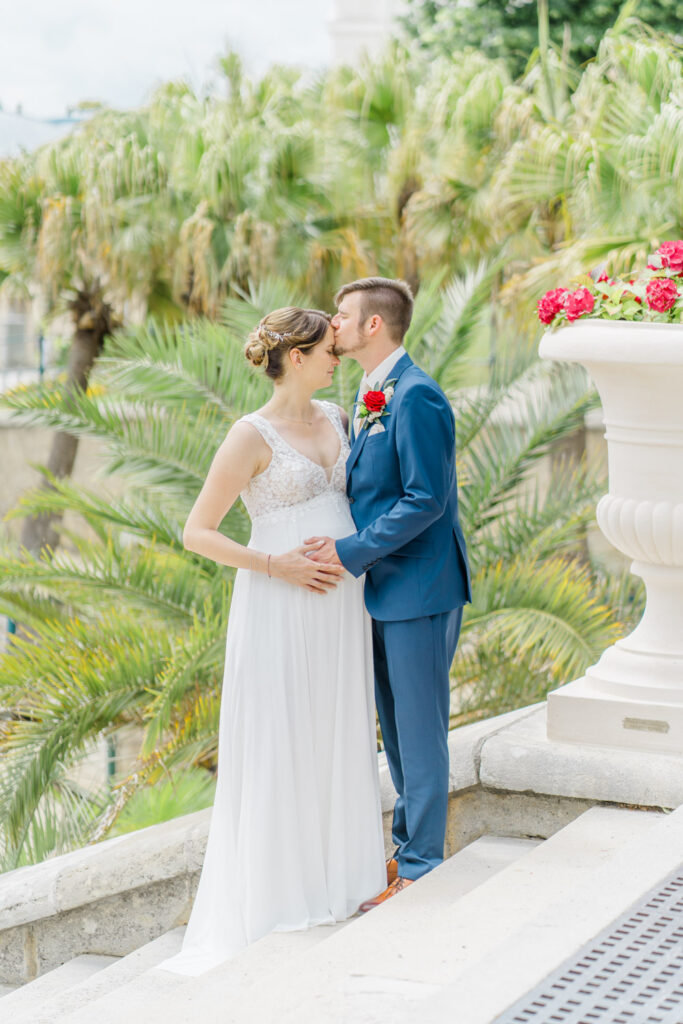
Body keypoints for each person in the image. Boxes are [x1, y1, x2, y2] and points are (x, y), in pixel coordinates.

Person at [157, 307, 386, 976]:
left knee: (335, 729)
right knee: (283, 734)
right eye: (325, 349)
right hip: (279, 599)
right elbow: (197, 531)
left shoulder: (340, 420)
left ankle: (343, 880)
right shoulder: (248, 435)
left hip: (339, 601)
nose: (336, 356)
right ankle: (281, 895)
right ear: (292, 357)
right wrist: (276, 565)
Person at [306, 277, 471, 910]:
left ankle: (424, 866)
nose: (334, 325)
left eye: (342, 316)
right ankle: (408, 850)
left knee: (419, 729)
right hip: (382, 589)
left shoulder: (418, 396)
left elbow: (426, 499)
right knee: (397, 731)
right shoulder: (371, 393)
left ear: (373, 326)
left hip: (421, 589)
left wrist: (349, 554)